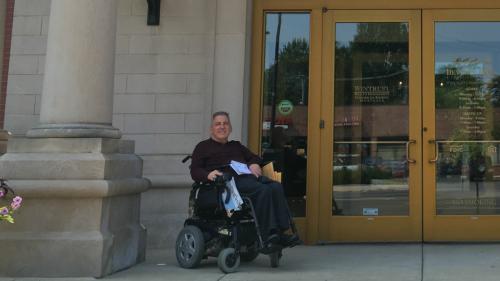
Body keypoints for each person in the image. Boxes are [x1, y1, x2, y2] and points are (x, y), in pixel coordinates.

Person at [190, 111, 300, 250]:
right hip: (226, 184)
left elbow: (254, 157)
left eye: (225, 123)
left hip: (247, 179)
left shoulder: (236, 146)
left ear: (230, 128)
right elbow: (195, 170)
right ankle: (269, 234)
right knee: (263, 190)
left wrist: (254, 163)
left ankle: (282, 231)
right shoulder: (203, 147)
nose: (222, 127)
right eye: (218, 124)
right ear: (211, 129)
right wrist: (208, 174)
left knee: (276, 187)